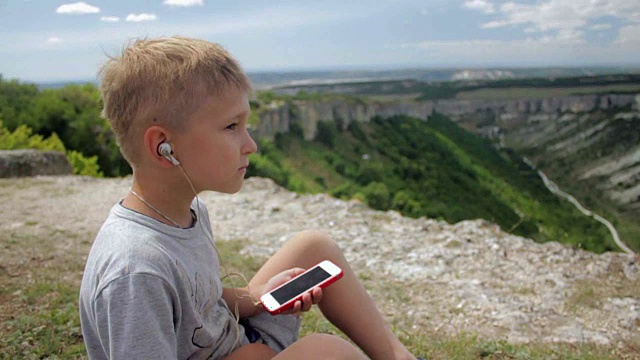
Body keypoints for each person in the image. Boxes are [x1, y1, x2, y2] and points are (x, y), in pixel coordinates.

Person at [79, 36, 416, 360]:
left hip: (235, 338)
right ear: (163, 147)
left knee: (315, 247)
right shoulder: (136, 272)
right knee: (329, 353)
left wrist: (258, 296)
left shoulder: (188, 211)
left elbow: (203, 301)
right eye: (231, 127)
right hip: (234, 349)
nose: (250, 144)